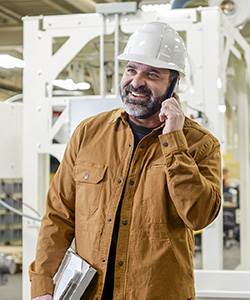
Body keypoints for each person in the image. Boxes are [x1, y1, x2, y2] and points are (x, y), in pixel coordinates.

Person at [30, 21, 222, 300]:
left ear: (173, 83)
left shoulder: (200, 144)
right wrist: (42, 287)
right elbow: (58, 216)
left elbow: (199, 216)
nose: (136, 81)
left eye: (152, 74)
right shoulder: (88, 133)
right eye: (131, 69)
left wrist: (174, 142)